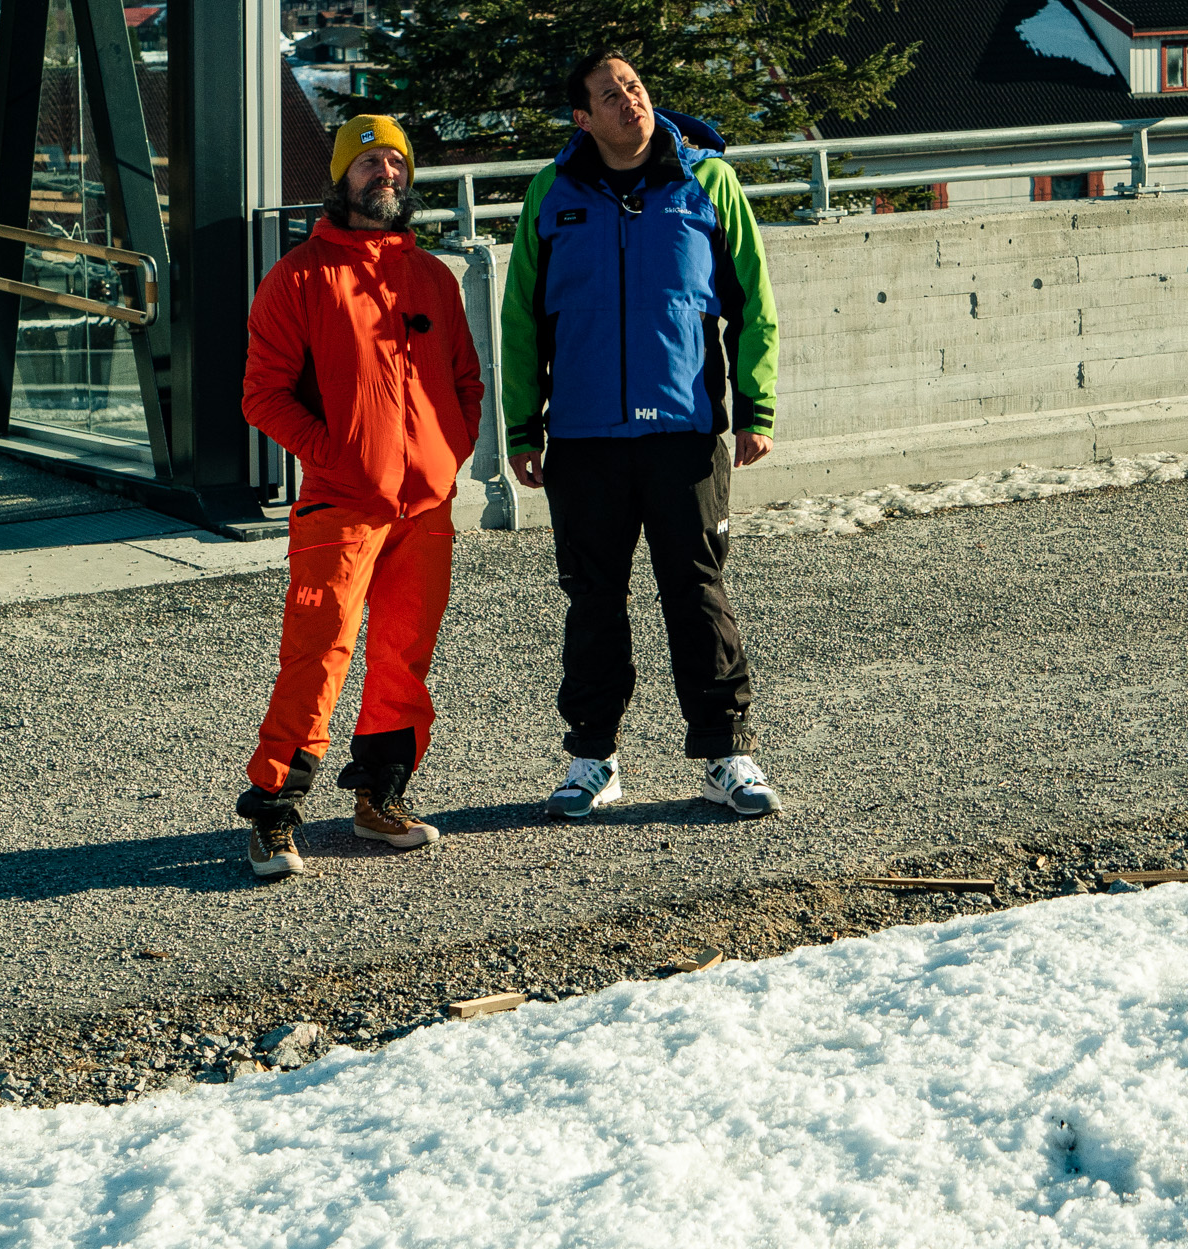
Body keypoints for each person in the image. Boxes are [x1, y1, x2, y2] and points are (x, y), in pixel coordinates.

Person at [502, 51, 784, 821]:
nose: (628, 100)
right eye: (608, 94)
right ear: (582, 118)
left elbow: (753, 300)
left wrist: (756, 406)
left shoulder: (708, 183)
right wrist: (522, 425)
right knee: (594, 599)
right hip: (585, 440)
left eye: (633, 86)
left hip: (684, 431)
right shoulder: (552, 194)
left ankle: (728, 753)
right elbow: (520, 318)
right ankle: (593, 758)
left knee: (696, 591)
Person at [236, 112, 484, 881]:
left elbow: (468, 381)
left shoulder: (433, 277)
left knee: (405, 656)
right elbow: (262, 395)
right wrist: (338, 456)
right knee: (317, 656)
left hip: (426, 507)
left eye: (397, 163)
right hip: (342, 505)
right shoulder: (300, 276)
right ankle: (274, 814)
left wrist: (448, 453)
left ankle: (379, 797)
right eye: (370, 163)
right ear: (340, 177)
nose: (386, 175)